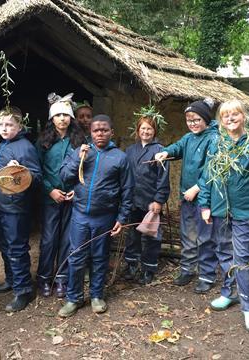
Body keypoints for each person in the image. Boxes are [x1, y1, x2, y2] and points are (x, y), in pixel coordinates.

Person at [198, 99, 249, 333]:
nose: (230, 119)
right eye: (225, 116)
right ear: (221, 121)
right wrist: (205, 204)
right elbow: (206, 176)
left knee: (243, 258)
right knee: (224, 253)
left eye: (235, 115)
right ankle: (229, 293)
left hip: (245, 211)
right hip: (220, 210)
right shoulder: (216, 144)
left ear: (244, 117)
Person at [58, 114, 133, 317]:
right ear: (90, 133)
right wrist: (77, 158)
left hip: (105, 216)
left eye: (104, 130)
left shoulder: (120, 157)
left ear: (111, 132)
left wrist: (122, 218)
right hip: (80, 214)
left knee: (100, 258)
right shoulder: (81, 152)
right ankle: (73, 298)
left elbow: (127, 190)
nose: (100, 133)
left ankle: (96, 296)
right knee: (76, 257)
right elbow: (64, 177)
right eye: (96, 130)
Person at [155, 99, 219, 293]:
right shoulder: (189, 138)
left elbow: (212, 169)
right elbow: (177, 147)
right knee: (187, 233)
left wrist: (197, 188)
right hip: (187, 196)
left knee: (205, 237)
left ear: (206, 119)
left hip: (204, 198)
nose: (192, 123)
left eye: (196, 119)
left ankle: (207, 275)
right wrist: (165, 152)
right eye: (189, 120)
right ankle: (187, 268)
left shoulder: (214, 139)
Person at [0, 106, 42, 311]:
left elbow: (37, 177)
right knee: (5, 246)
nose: (4, 128)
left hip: (16, 208)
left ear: (20, 126)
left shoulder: (25, 147)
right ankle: (12, 279)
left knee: (17, 248)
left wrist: (21, 170)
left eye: (9, 124)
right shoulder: (1, 145)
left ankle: (23, 290)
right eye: (1, 124)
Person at [36, 94, 84, 298]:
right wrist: (50, 190)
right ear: (52, 118)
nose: (62, 119)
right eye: (58, 115)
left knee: (67, 238)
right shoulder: (43, 142)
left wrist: (77, 189)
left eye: (66, 115)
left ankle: (62, 278)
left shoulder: (79, 140)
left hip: (71, 197)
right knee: (48, 239)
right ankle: (44, 277)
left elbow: (86, 168)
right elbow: (36, 170)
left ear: (71, 118)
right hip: (51, 197)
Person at [124, 109, 170, 284]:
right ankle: (131, 264)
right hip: (133, 200)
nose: (146, 132)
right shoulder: (130, 150)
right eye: (143, 128)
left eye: (149, 129)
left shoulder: (160, 151)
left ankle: (148, 268)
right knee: (132, 235)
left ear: (155, 131)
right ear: (137, 131)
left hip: (150, 201)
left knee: (152, 235)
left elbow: (163, 178)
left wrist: (159, 200)